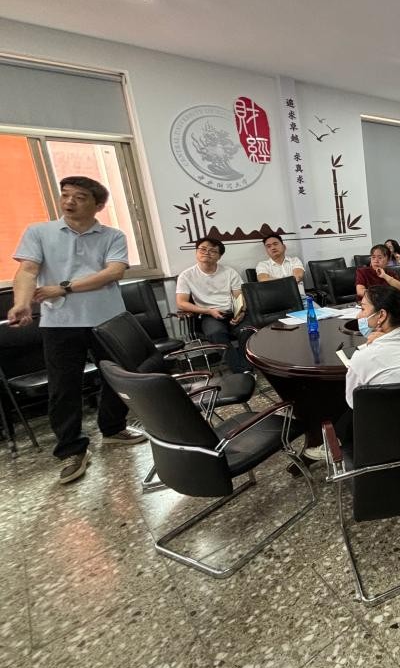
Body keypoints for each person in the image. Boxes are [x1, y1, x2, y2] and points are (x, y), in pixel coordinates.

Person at [8, 176, 145, 484]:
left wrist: (64, 287)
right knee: (63, 387)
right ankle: (72, 449)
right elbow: (27, 270)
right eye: (66, 195)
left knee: (118, 377)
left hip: (108, 319)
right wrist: (22, 303)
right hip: (60, 322)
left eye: (80, 197)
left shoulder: (112, 235)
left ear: (98, 205)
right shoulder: (39, 232)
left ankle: (113, 428)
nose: (69, 201)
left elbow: (113, 272)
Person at [337, 286, 400, 454]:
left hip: (385, 440)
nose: (358, 316)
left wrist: (377, 343)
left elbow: (354, 403)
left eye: (363, 309)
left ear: (381, 315)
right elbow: (397, 343)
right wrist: (383, 337)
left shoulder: (362, 357)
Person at [175, 237, 251, 373]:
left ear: (219, 256)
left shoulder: (229, 272)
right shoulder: (186, 275)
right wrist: (208, 311)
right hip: (209, 315)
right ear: (196, 252)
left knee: (248, 330)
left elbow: (239, 296)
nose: (207, 253)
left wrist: (241, 312)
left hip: (233, 312)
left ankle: (246, 367)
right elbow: (181, 303)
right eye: (203, 249)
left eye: (212, 251)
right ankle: (242, 371)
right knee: (216, 333)